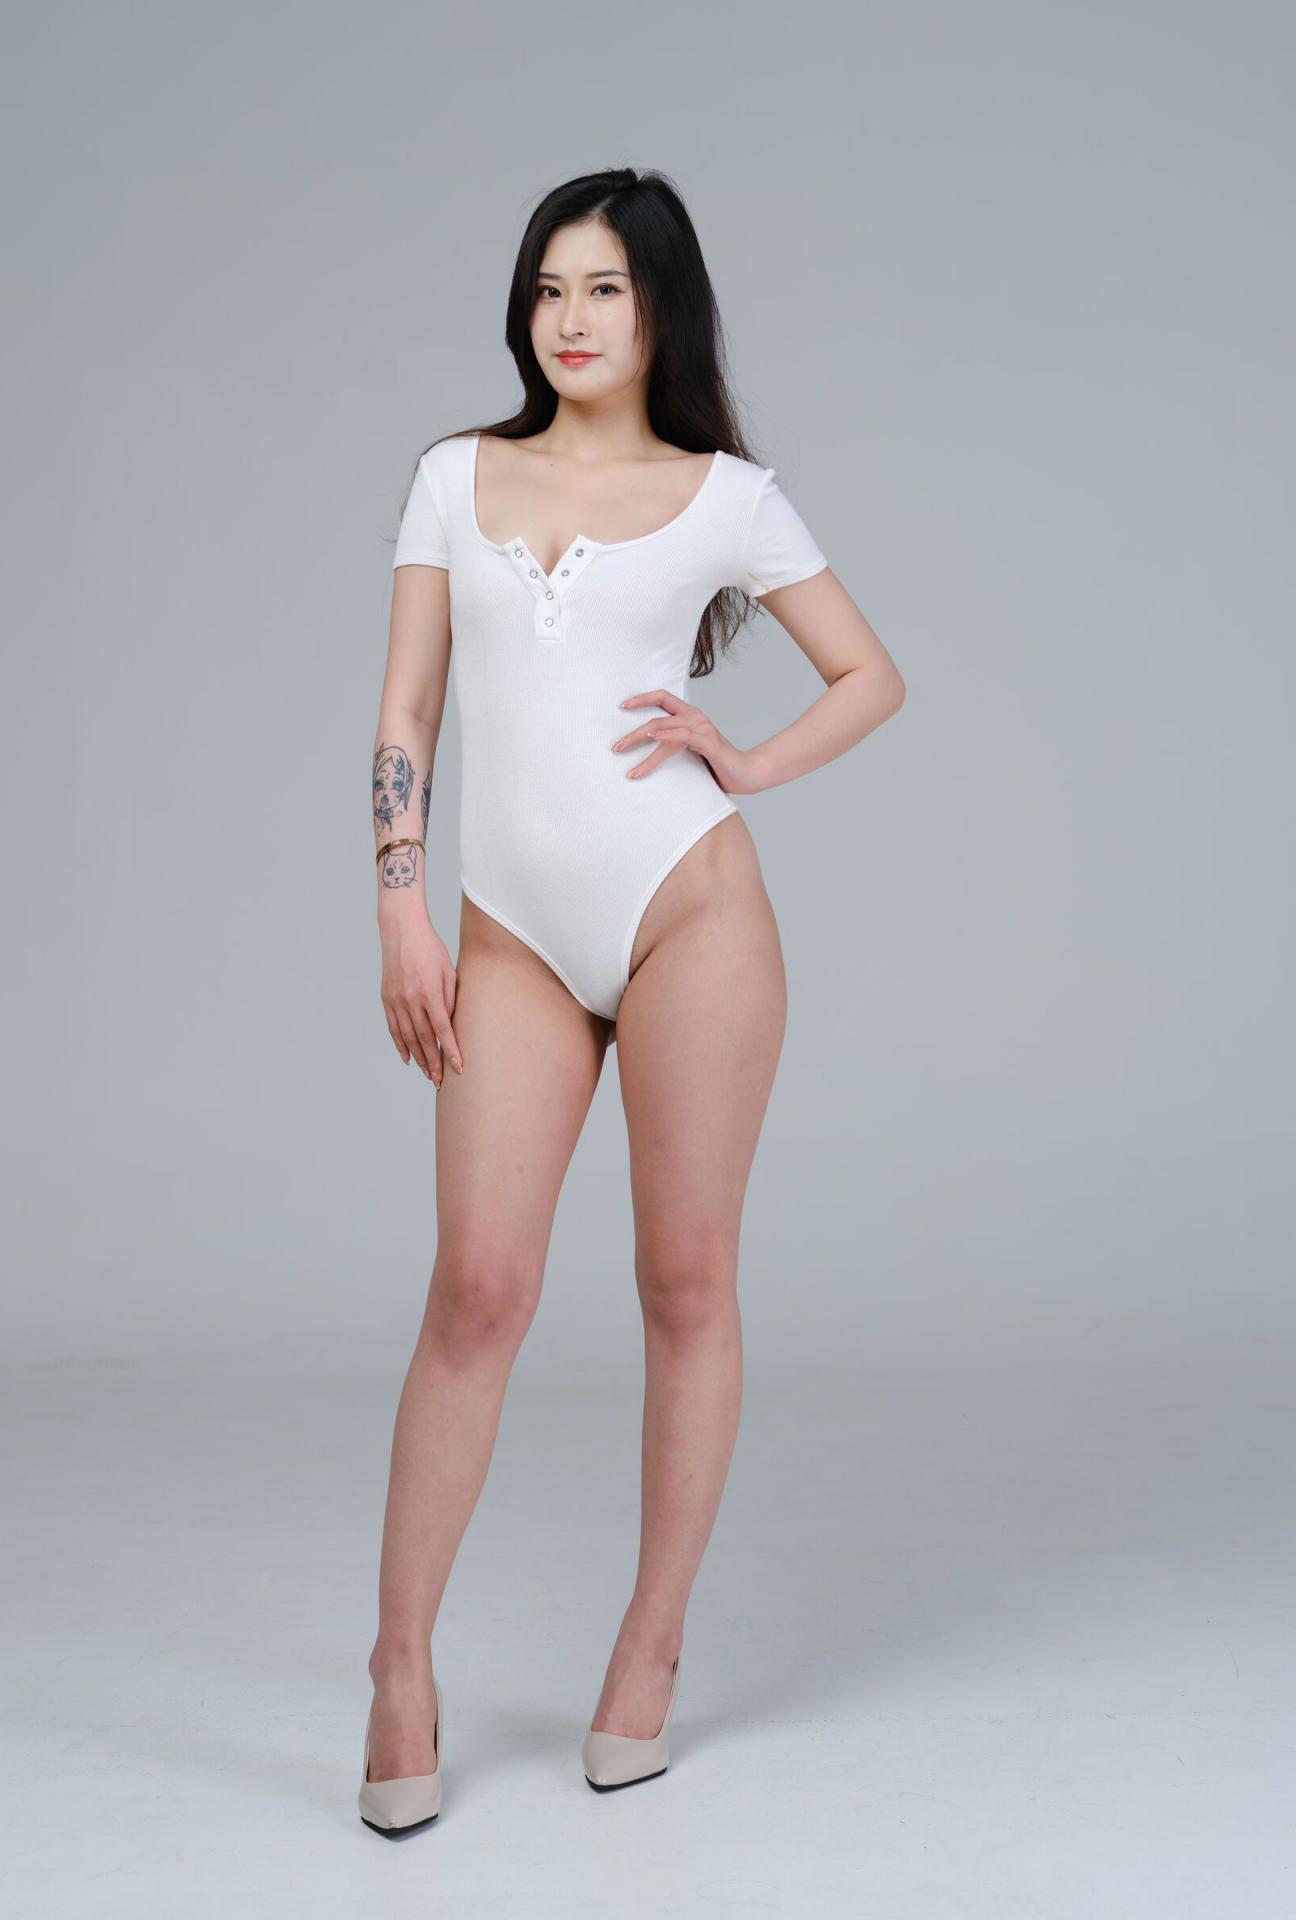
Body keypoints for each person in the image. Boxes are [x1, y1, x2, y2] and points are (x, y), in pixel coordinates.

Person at [360, 166, 905, 1835]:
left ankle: (650, 1649)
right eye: (549, 287)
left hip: (691, 916)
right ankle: (398, 1667)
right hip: (510, 936)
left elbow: (870, 674)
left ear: (661, 306)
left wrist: (747, 763)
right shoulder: (455, 476)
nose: (571, 318)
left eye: (603, 287)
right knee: (479, 1290)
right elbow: (406, 713)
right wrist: (400, 908)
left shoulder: (727, 496)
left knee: (686, 1281)